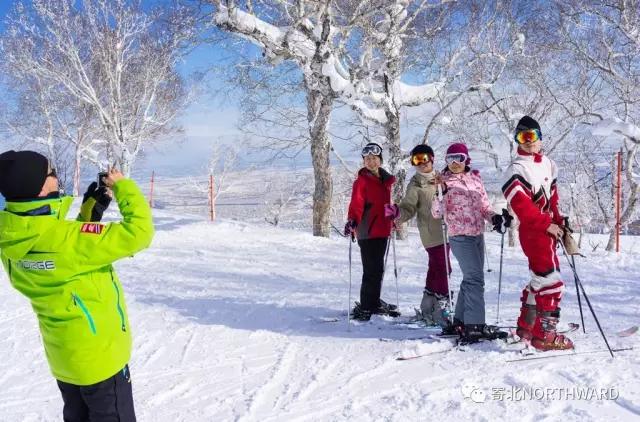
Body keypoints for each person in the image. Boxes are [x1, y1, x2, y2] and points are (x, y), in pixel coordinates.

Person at [0, 150, 154, 421]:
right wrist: (123, 187)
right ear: (38, 189)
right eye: (51, 173)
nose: (56, 176)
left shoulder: (9, 239)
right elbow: (139, 233)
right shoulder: (67, 240)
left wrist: (87, 216)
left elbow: (59, 254)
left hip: (64, 361)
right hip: (100, 361)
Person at [502, 116, 574, 351]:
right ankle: (545, 336)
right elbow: (522, 205)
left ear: (540, 137)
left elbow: (552, 199)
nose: (529, 142)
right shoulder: (516, 169)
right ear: (517, 140)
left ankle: (527, 326)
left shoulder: (549, 164)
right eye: (523, 137)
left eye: (533, 136)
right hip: (534, 231)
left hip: (547, 229)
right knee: (552, 282)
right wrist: (546, 224)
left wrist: (559, 220)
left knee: (540, 279)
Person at [432, 143, 510, 343]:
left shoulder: (475, 179)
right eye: (450, 159)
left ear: (466, 159)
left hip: (477, 235)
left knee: (470, 278)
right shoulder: (444, 182)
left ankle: (459, 321)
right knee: (475, 279)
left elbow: (484, 207)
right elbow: (436, 213)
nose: (455, 163)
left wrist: (496, 218)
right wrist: (439, 192)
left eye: (459, 158)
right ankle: (474, 325)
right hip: (459, 236)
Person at [384, 144, 452, 327]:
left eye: (423, 158)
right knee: (444, 268)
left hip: (450, 230)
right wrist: (398, 213)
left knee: (436, 267)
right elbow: (409, 207)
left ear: (432, 158)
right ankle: (442, 308)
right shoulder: (415, 184)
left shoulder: (444, 176)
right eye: (416, 160)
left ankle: (428, 305)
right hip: (432, 232)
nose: (421, 163)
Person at [344, 142, 400, 321]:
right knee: (371, 269)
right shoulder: (361, 181)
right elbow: (356, 204)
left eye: (374, 158)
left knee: (378, 269)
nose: (371, 162)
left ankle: (373, 301)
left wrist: (392, 215)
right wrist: (352, 220)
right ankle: (367, 305)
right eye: (367, 159)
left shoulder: (385, 180)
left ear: (380, 160)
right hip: (367, 231)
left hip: (382, 229)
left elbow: (384, 204)